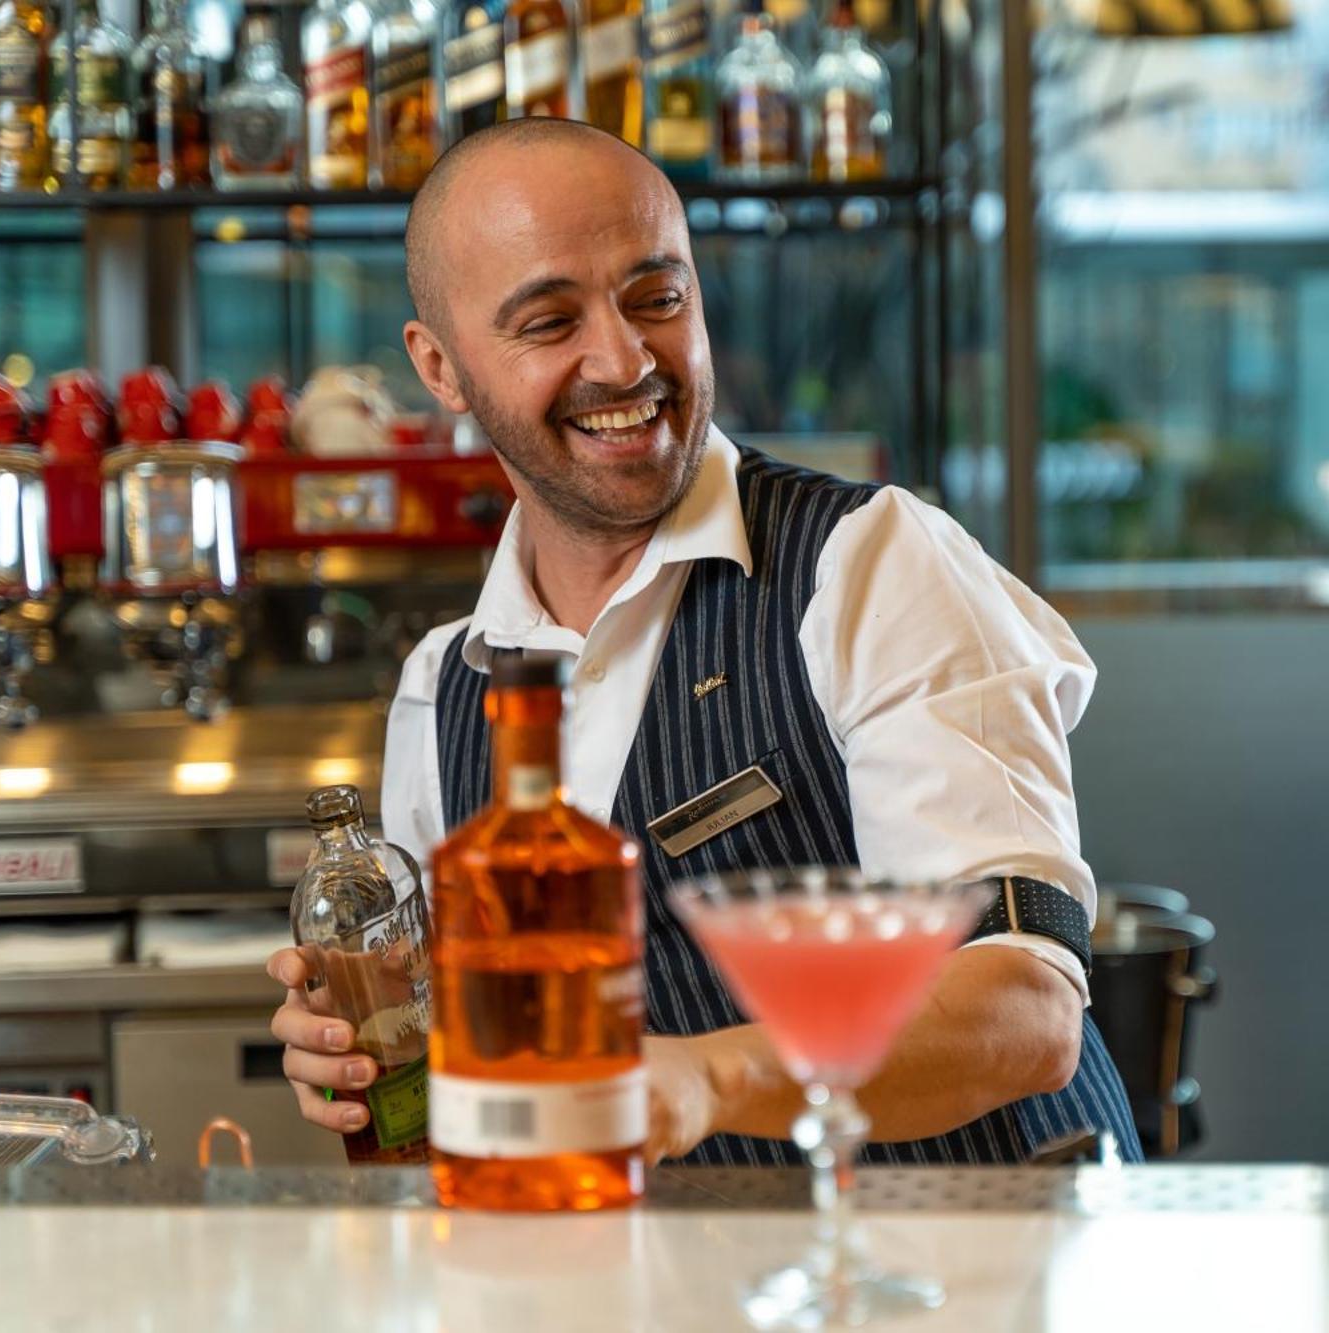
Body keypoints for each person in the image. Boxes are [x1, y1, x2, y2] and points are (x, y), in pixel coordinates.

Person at [266, 117, 1141, 1166]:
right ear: (441, 368)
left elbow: (1025, 1005)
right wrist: (377, 1054)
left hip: (981, 1269)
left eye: (657, 297)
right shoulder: (443, 691)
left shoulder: (869, 563)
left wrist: (699, 1076)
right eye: (548, 322)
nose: (625, 358)